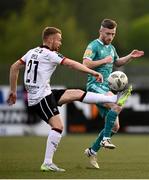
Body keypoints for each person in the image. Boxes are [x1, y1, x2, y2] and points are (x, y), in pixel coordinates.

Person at [7, 26, 131, 172]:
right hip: (39, 98)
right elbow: (72, 64)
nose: (60, 43)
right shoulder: (50, 54)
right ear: (51, 39)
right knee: (58, 127)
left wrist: (13, 91)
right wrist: (93, 72)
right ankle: (47, 163)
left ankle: (110, 98)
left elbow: (14, 67)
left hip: (46, 92)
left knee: (77, 93)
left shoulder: (32, 52)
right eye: (59, 40)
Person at [83, 19, 144, 169]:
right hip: (94, 86)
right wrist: (103, 60)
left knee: (115, 126)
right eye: (108, 33)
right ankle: (106, 139)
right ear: (101, 31)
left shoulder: (111, 47)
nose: (110, 36)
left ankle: (92, 151)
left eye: (113, 34)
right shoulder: (93, 45)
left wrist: (130, 56)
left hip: (106, 88)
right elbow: (85, 63)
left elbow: (117, 62)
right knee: (116, 105)